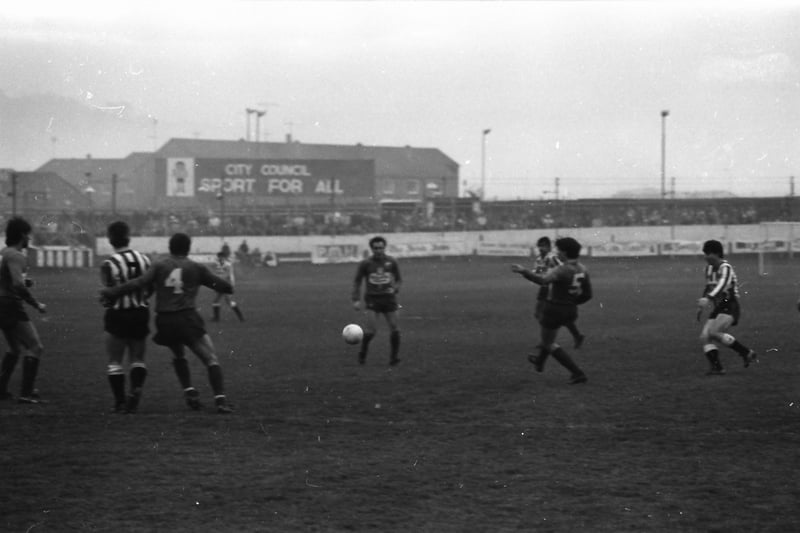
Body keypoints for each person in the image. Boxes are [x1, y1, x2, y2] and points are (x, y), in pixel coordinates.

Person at [100, 233, 235, 413]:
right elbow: (225, 287)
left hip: (165, 320)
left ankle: (189, 391)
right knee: (210, 359)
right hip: (187, 317)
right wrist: (221, 284)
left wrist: (114, 291)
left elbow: (139, 282)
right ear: (188, 248)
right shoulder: (196, 267)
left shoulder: (159, 265)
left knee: (179, 355)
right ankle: (220, 401)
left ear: (170, 247)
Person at [511, 237, 591, 385]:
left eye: (559, 250)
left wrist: (523, 271)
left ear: (565, 252)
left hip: (554, 309)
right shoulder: (583, 269)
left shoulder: (561, 269)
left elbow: (543, 280)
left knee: (548, 343)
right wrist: (572, 302)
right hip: (571, 310)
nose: (557, 253)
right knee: (548, 339)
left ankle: (577, 373)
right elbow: (588, 294)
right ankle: (540, 361)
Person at [100, 221, 151, 413]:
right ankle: (135, 389)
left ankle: (120, 402)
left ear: (111, 239)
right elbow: (150, 287)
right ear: (128, 236)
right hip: (140, 313)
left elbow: (107, 294)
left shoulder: (108, 264)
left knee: (115, 361)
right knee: (137, 358)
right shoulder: (144, 259)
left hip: (118, 315)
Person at [0, 217, 48, 403]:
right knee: (35, 347)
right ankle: (26, 393)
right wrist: (36, 304)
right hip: (9, 304)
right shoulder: (18, 256)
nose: (30, 238)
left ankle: (1, 389)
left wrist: (21, 281)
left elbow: (8, 278)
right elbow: (18, 286)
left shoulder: (5, 252)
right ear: (22, 235)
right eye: (28, 234)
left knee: (14, 347)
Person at [696, 239, 758, 375]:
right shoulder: (708, 269)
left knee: (714, 332)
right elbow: (709, 286)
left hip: (730, 304)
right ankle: (717, 367)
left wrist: (708, 298)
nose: (705, 256)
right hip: (718, 306)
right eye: (704, 253)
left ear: (717, 253)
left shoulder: (726, 267)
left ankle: (746, 352)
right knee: (705, 336)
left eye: (708, 253)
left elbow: (722, 285)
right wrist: (702, 303)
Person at [352, 236, 402, 366]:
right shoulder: (366, 264)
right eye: (376, 248)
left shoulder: (392, 262)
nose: (378, 250)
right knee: (371, 332)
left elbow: (398, 280)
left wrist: (395, 289)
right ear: (372, 249)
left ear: (384, 247)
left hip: (389, 299)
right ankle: (363, 353)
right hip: (373, 300)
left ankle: (394, 358)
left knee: (395, 329)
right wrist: (356, 299)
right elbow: (357, 282)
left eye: (381, 247)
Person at [533, 236, 585, 348]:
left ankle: (546, 341)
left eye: (544, 246)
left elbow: (563, 269)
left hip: (553, 288)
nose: (541, 248)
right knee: (540, 313)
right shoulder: (539, 259)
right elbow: (538, 273)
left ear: (549, 247)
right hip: (544, 287)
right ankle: (574, 335)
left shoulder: (552, 258)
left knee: (547, 314)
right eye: (540, 246)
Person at [211, 252, 244, 322]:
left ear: (223, 257)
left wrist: (231, 285)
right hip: (221, 285)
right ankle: (216, 318)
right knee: (217, 300)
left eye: (221, 257)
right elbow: (218, 274)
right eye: (219, 257)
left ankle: (240, 317)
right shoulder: (218, 265)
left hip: (226, 285)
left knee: (227, 301)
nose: (219, 258)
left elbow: (228, 275)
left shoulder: (228, 265)